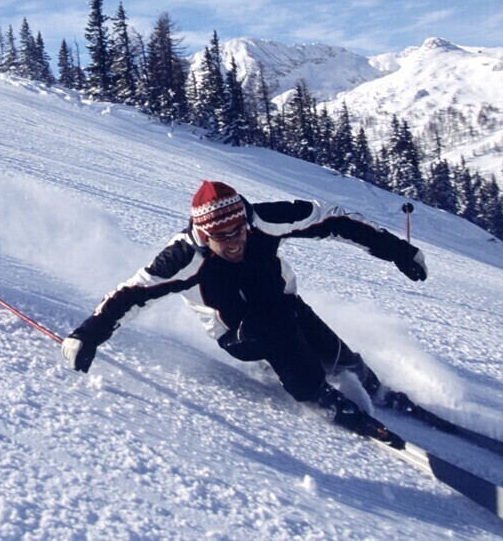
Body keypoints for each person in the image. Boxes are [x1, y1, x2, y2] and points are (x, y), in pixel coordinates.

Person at [61, 180, 428, 441]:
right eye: (223, 237)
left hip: (282, 303)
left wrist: (398, 251)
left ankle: (371, 386)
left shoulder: (260, 221)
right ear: (204, 235)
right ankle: (319, 395)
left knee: (327, 347)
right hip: (239, 332)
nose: (235, 242)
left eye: (239, 231)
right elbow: (131, 294)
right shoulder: (184, 258)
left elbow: (332, 219)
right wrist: (86, 335)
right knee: (277, 330)